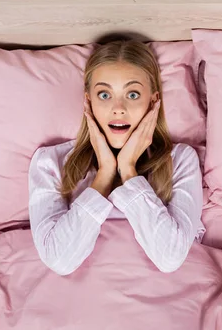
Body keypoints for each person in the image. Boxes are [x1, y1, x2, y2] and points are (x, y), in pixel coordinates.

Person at [28, 40, 205, 276]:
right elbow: (59, 260)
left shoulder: (181, 161)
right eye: (104, 94)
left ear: (153, 102)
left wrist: (128, 169)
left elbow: (170, 257)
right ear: (88, 101)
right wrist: (104, 175)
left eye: (132, 94)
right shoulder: (49, 163)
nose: (118, 108)